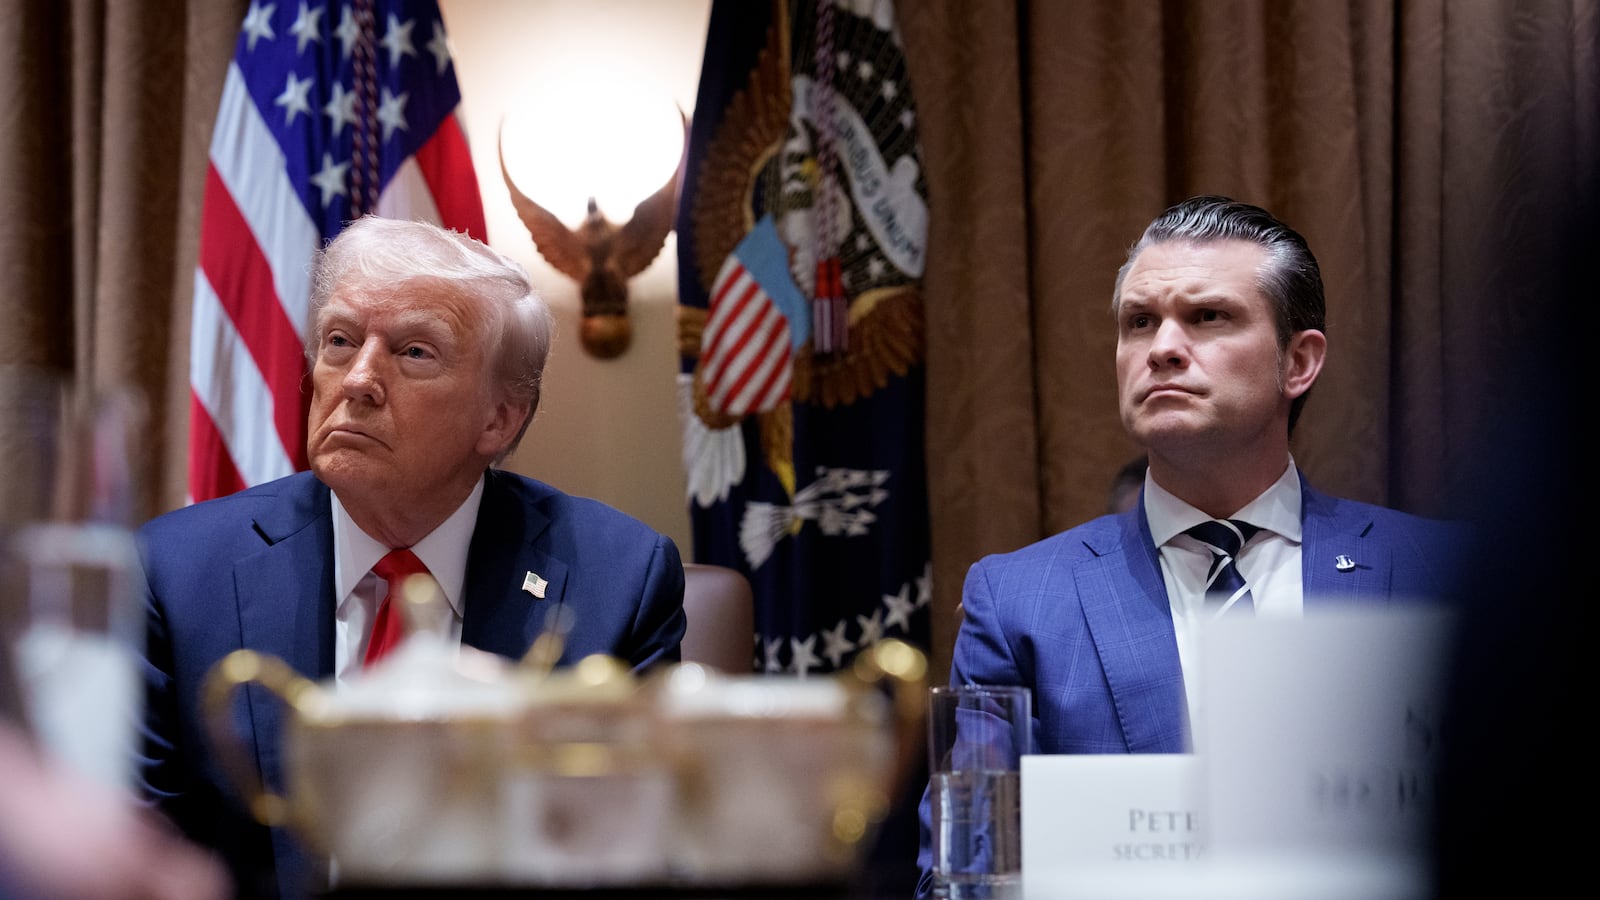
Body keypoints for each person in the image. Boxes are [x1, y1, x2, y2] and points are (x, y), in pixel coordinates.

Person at [915, 196, 1462, 893]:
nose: (1162, 348)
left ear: (1299, 361)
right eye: (1139, 322)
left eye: (1208, 317)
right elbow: (961, 878)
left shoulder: (1438, 573)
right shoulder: (1018, 602)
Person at [137, 216, 687, 899]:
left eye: (415, 352)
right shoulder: (177, 573)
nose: (358, 379)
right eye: (340, 340)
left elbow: (636, 856)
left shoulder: (620, 581)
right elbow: (133, 855)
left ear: (500, 418)